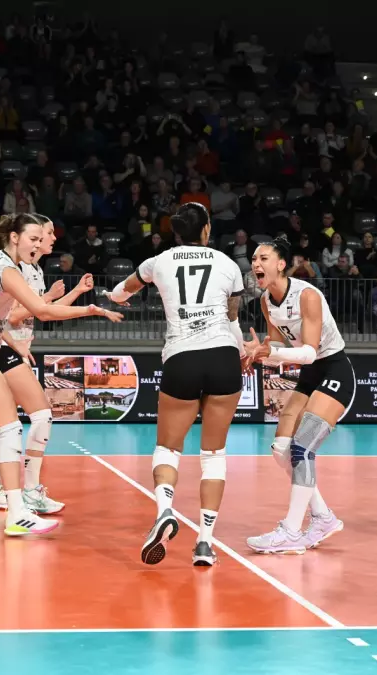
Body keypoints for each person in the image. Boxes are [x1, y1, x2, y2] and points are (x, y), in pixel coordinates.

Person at [0, 213, 123, 536]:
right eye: (33, 238)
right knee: (10, 427)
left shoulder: (3, 264)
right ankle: (18, 511)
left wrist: (11, 340)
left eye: (39, 239)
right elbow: (42, 311)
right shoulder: (6, 269)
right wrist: (91, 309)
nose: (37, 244)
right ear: (14, 237)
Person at [105, 202, 246, 567]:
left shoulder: (159, 261)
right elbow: (232, 318)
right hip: (224, 356)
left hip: (182, 358)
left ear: (176, 232)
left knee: (168, 448)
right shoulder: (228, 264)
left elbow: (123, 290)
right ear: (207, 229)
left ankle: (165, 510)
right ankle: (205, 543)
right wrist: (242, 349)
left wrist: (112, 297)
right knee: (213, 454)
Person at [0, 213, 95, 514]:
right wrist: (53, 300)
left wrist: (75, 293)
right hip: (5, 347)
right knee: (41, 415)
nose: (53, 238)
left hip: (9, 348)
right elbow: (16, 316)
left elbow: (46, 311)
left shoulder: (34, 269)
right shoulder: (19, 269)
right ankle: (28, 490)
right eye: (48, 233)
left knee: (2, 422)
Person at [241, 239, 352, 554]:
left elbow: (309, 352)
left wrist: (271, 353)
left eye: (263, 258)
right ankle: (323, 517)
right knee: (282, 450)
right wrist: (259, 353)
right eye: (254, 258)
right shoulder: (266, 301)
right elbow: (279, 347)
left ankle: (291, 531)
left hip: (333, 370)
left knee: (302, 448)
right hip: (310, 375)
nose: (256, 263)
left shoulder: (307, 295)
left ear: (280, 264)